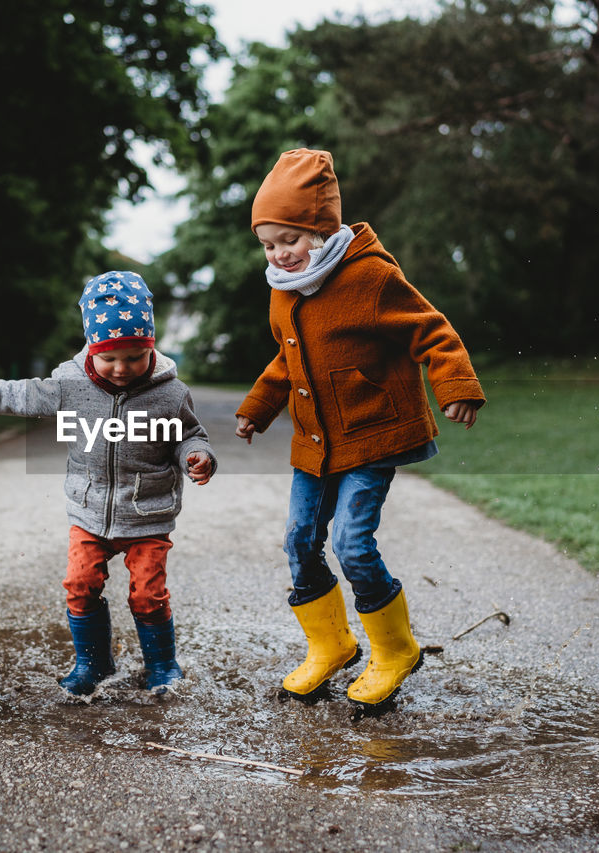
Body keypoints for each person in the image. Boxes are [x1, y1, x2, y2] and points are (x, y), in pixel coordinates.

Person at [234, 149, 484, 712]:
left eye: (289, 241)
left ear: (321, 230)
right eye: (268, 244)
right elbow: (285, 359)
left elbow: (432, 331)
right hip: (314, 444)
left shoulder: (369, 277)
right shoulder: (283, 290)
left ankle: (395, 649)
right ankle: (332, 644)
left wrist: (456, 385)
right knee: (299, 540)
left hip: (372, 435)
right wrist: (258, 406)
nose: (278, 254)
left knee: (350, 541)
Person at [0, 270, 216, 698]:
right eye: (110, 359)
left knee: (148, 595)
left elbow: (188, 435)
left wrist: (197, 456)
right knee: (80, 584)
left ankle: (162, 664)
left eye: (133, 358)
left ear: (151, 348)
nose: (121, 369)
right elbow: (23, 394)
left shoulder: (170, 393)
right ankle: (93, 661)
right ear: (91, 348)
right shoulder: (70, 384)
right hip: (89, 513)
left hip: (147, 514)